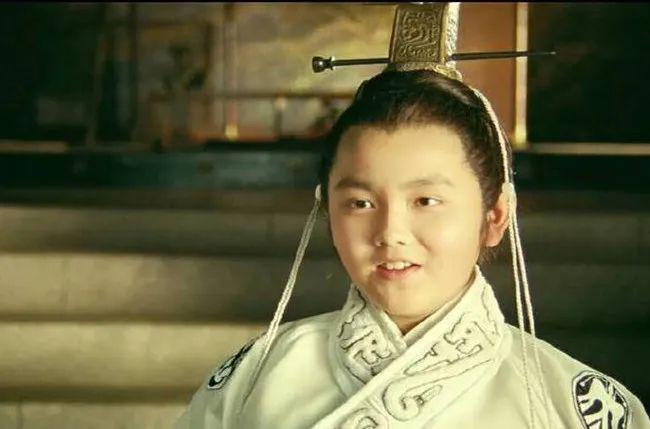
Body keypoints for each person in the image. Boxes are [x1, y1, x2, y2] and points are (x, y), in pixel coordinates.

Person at [175, 5, 649, 429]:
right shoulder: (255, 378)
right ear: (327, 210)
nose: (390, 234)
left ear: (495, 215)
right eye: (361, 203)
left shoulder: (577, 407)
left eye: (426, 201)